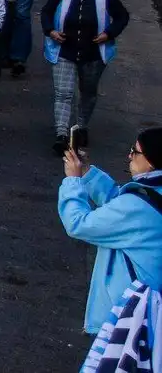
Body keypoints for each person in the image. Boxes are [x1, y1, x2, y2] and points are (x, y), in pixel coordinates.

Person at [58, 128, 162, 335]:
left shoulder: (136, 208)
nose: (129, 155)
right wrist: (88, 173)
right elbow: (118, 204)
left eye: (135, 151)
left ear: (151, 160)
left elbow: (78, 223)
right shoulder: (153, 193)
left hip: (126, 317)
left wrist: (73, 181)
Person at [41, 0, 131, 155]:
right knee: (63, 93)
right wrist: (51, 31)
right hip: (65, 50)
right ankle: (61, 135)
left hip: (93, 54)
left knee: (88, 93)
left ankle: (81, 127)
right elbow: (46, 12)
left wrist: (108, 34)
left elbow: (122, 16)